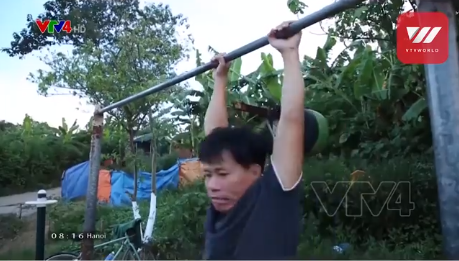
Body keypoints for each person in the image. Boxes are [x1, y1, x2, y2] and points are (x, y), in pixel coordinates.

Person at [199, 21, 305, 260]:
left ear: (256, 172)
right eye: (208, 175)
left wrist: (289, 53)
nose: (212, 185)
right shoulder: (222, 209)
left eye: (222, 174)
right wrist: (220, 79)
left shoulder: (273, 196)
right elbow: (215, 137)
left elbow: (291, 120)